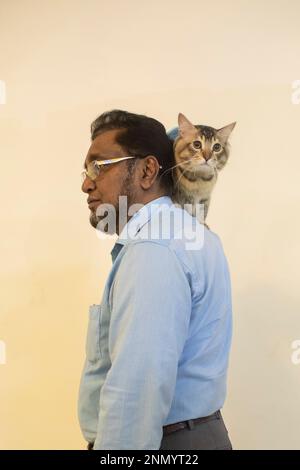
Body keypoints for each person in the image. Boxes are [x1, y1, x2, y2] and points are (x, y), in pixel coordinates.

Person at [77, 109, 233, 450]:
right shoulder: (192, 233)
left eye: (98, 166)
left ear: (147, 170)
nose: (87, 183)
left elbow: (137, 391)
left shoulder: (154, 248)